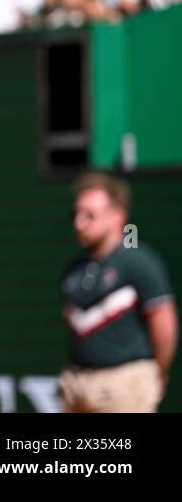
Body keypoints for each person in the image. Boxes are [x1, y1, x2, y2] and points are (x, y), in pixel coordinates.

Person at [59, 174, 176, 413]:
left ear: (117, 216)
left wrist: (156, 372)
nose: (79, 223)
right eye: (76, 214)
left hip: (124, 385)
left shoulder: (139, 262)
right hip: (77, 384)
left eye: (90, 215)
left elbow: (164, 325)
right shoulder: (74, 269)